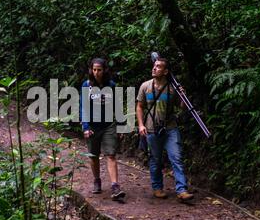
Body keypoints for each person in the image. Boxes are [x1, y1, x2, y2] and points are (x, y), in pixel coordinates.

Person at [136, 57, 194, 201]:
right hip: (151, 129)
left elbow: (182, 108)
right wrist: (141, 125)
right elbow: (139, 106)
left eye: (159, 67)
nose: (154, 68)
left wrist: (182, 96)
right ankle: (157, 188)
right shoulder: (145, 86)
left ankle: (182, 190)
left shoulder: (172, 89)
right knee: (155, 159)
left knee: (176, 157)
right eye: (154, 66)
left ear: (166, 71)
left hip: (170, 128)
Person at [80, 58, 125, 201]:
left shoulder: (111, 85)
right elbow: (83, 107)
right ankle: (97, 180)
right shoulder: (87, 85)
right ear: (91, 70)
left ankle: (115, 186)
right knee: (93, 155)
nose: (96, 72)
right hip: (93, 126)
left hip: (108, 125)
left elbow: (117, 106)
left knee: (111, 154)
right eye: (94, 70)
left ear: (104, 70)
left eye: (99, 70)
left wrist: (121, 125)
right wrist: (85, 126)